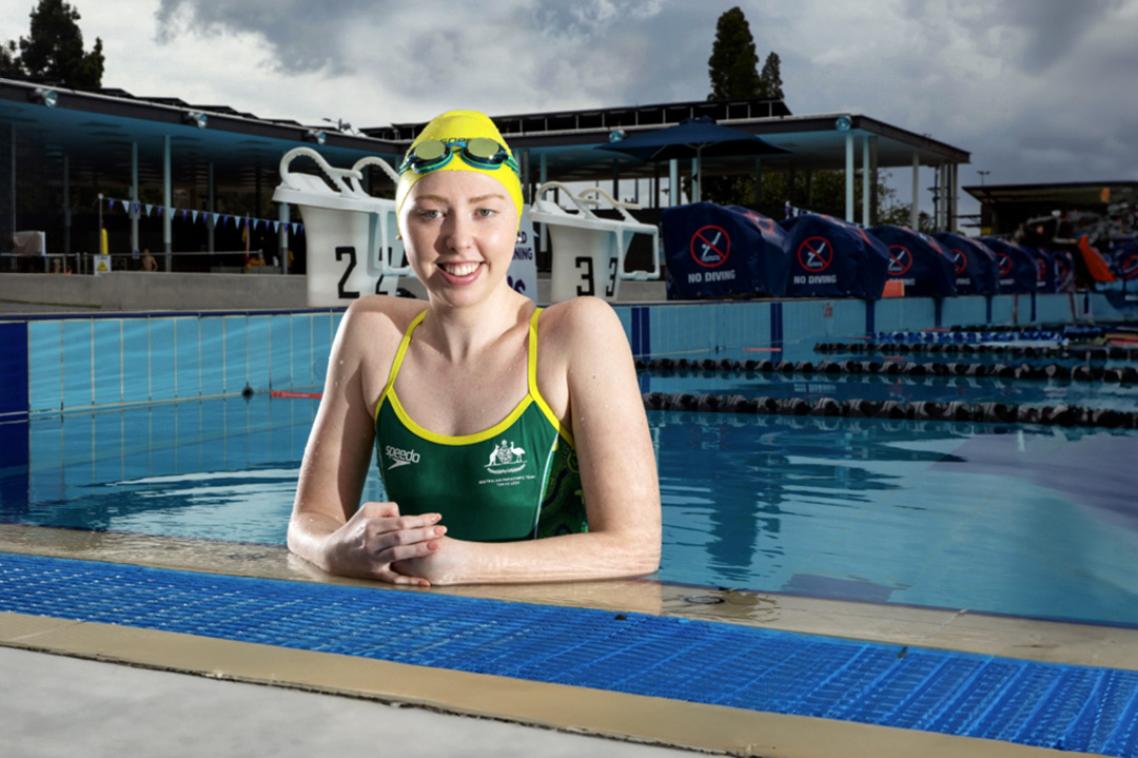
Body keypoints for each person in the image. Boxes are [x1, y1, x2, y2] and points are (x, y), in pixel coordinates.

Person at [287, 110, 660, 586]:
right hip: (417, 642)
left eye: (485, 212)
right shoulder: (373, 332)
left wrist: (471, 564)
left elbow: (637, 546)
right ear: (401, 228)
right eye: (430, 213)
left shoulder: (574, 334)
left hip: (556, 638)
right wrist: (338, 549)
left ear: (517, 226)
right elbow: (308, 523)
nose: (458, 239)